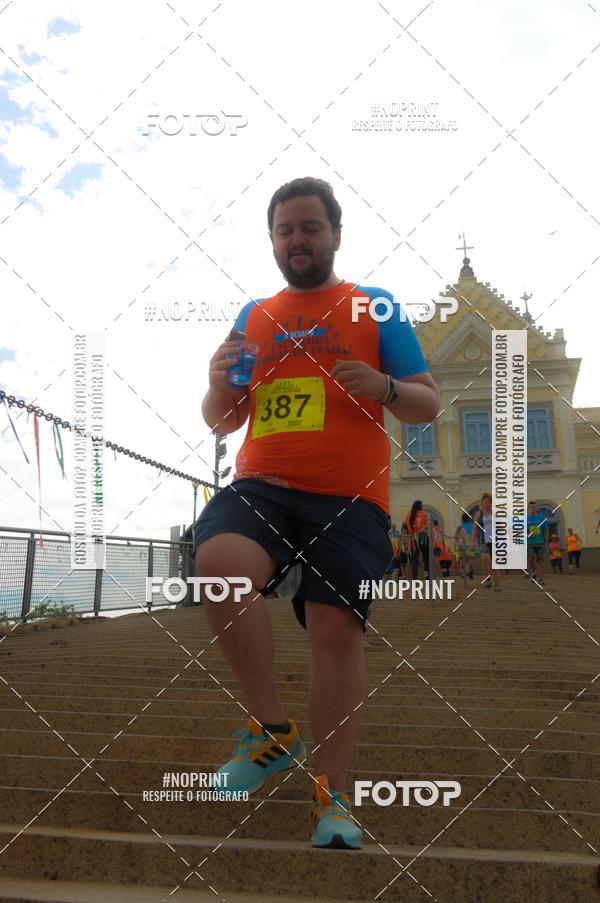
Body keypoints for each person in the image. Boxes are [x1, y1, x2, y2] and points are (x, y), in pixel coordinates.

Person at [193, 177, 439, 850]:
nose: (297, 239)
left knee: (334, 627)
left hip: (350, 496)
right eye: (285, 230)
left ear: (335, 234)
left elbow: (426, 403)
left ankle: (330, 796)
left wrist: (385, 386)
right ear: (273, 241)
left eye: (310, 227)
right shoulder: (254, 315)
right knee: (218, 563)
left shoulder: (375, 306)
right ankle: (271, 731)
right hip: (263, 485)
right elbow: (223, 419)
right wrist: (216, 384)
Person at [471, 492, 500, 592]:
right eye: (485, 502)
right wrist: (472, 542)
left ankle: (497, 584)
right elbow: (475, 529)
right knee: (484, 558)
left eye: (489, 502)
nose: (487, 504)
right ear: (482, 503)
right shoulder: (478, 514)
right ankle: (488, 579)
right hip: (483, 540)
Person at [404, 500, 430, 579]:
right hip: (423, 537)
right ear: (420, 506)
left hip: (413, 538)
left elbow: (404, 527)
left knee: (414, 560)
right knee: (426, 558)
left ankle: (414, 579)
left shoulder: (408, 515)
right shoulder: (424, 514)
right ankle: (427, 577)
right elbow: (428, 524)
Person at [526, 501, 548, 586]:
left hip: (540, 543)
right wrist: (528, 535)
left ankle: (541, 579)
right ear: (528, 509)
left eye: (534, 507)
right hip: (529, 543)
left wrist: (546, 543)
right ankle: (533, 572)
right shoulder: (525, 519)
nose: (533, 508)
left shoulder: (542, 518)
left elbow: (546, 531)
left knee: (541, 561)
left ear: (536, 508)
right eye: (531, 507)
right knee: (531, 557)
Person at [454, 512, 474, 580]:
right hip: (470, 543)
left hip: (460, 544)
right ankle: (470, 573)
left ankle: (463, 573)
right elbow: (475, 535)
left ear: (462, 519)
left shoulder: (460, 526)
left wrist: (455, 544)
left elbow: (456, 536)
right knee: (470, 560)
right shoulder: (472, 526)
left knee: (461, 559)